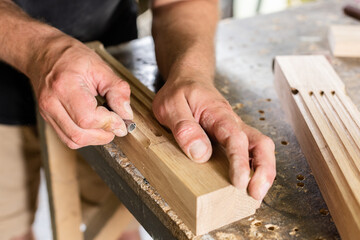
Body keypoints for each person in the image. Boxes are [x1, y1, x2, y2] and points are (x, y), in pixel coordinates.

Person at [0, 0, 276, 239]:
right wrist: (40, 51)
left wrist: (190, 73)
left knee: (118, 230)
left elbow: (177, 3)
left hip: (104, 75)